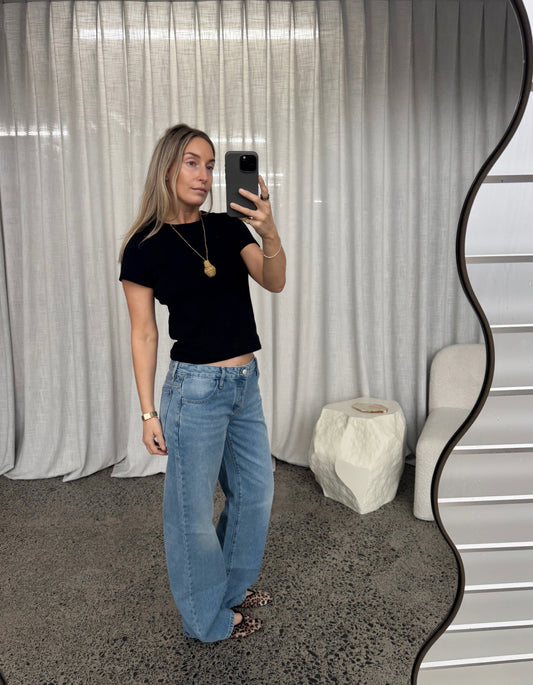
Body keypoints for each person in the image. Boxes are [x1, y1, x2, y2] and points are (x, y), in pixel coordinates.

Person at [119, 124, 286, 642]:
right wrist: (148, 413)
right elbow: (144, 333)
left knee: (254, 493)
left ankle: (229, 589)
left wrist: (269, 231)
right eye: (193, 162)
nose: (204, 175)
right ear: (168, 167)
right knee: (190, 516)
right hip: (193, 392)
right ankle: (207, 620)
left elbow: (274, 280)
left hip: (244, 384)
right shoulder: (143, 246)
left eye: (210, 166)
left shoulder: (228, 228)